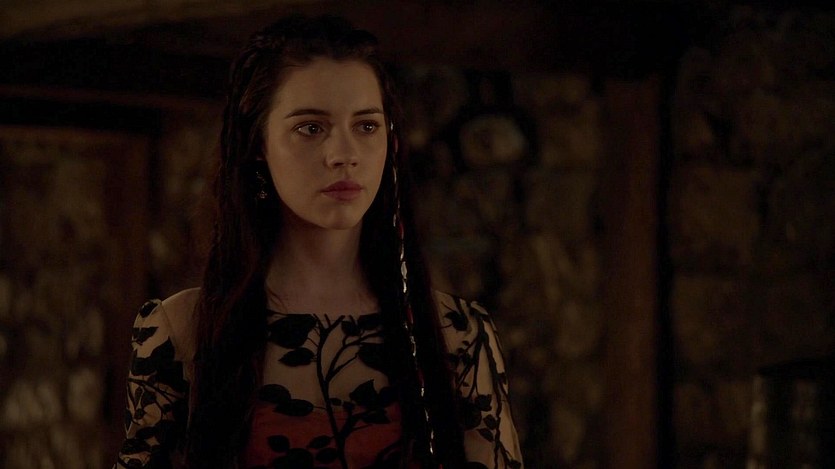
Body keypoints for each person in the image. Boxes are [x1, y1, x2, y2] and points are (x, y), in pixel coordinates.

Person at [114, 14, 523, 469]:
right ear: (258, 145)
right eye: (311, 127)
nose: (344, 155)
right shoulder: (184, 331)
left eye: (366, 126)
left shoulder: (456, 335)